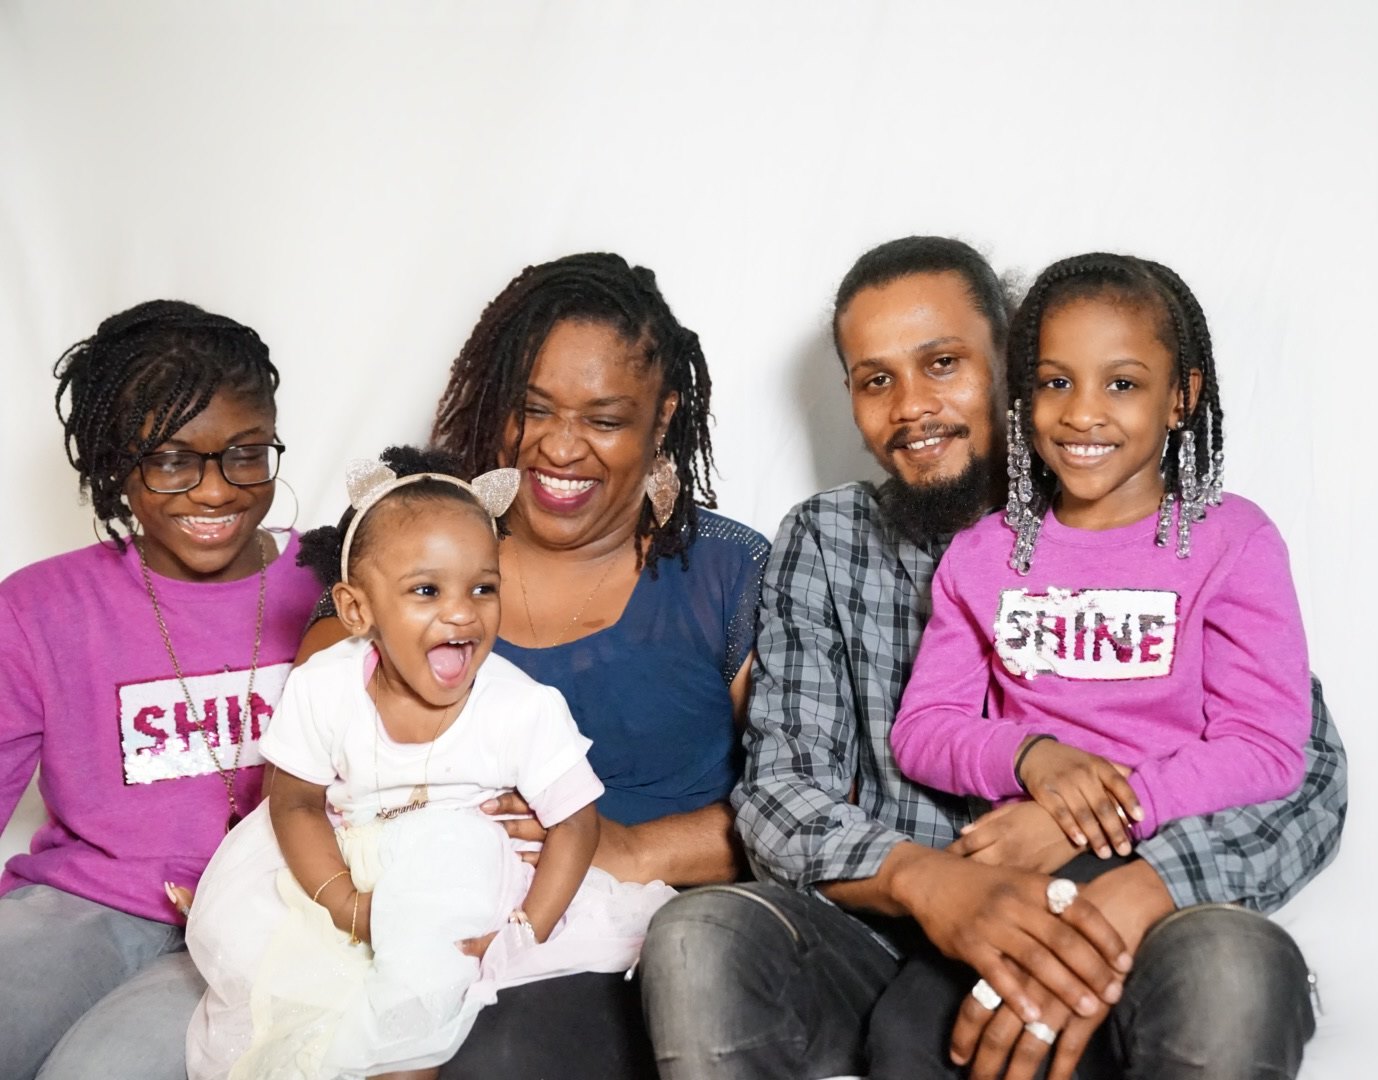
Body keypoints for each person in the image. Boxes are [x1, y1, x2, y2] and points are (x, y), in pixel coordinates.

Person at [640, 237, 1346, 1080]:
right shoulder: (848, 544)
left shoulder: (1201, 536)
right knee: (706, 940)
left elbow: (1291, 759)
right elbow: (787, 788)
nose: (911, 406)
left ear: (1012, 360)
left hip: (1141, 903)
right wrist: (932, 880)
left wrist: (1139, 881)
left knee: (1230, 968)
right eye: (876, 379)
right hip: (897, 938)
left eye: (943, 362)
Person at [301, 253, 769, 1077]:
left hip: (619, 946)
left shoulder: (728, 574)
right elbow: (318, 729)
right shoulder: (419, 543)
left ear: (664, 417)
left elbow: (814, 796)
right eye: (533, 408)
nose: (559, 446)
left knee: (497, 1054)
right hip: (413, 920)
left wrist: (630, 848)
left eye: (604, 418)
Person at [185, 447, 675, 1080]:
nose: (461, 611)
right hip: (344, 867)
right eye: (426, 590)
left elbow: (577, 823)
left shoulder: (522, 707)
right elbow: (295, 800)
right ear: (358, 610)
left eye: (483, 587)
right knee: (298, 1016)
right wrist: (342, 902)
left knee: (416, 995)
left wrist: (527, 930)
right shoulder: (325, 687)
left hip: (461, 879)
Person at [891, 252, 1309, 862]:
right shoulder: (983, 554)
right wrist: (1028, 756)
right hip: (1015, 858)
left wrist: (1099, 815)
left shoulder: (1233, 542)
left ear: (1179, 397)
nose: (1082, 414)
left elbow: (1264, 747)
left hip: (1175, 856)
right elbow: (924, 729)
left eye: (1122, 383)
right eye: (1056, 382)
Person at [0, 300, 321, 1080]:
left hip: (272, 916)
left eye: (246, 453)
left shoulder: (339, 581)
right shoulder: (40, 607)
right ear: (116, 464)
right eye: (172, 459)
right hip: (89, 905)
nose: (214, 491)